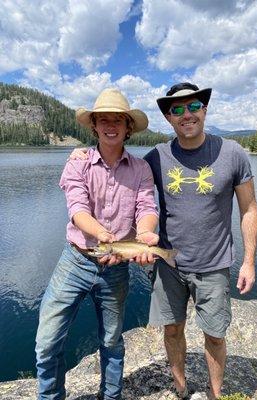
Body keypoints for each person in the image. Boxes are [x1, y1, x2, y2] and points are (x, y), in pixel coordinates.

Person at [69, 82, 257, 400]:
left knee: (214, 335)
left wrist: (250, 261)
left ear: (205, 109)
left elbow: (250, 209)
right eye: (178, 109)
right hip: (167, 266)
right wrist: (83, 155)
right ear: (168, 117)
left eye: (194, 106)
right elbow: (120, 175)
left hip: (213, 266)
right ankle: (181, 389)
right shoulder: (156, 157)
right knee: (172, 330)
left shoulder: (233, 153)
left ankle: (214, 395)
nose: (187, 114)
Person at [35, 87, 159, 400]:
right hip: (75, 260)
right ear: (94, 125)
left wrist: (144, 236)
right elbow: (77, 210)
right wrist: (107, 237)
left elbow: (146, 209)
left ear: (128, 127)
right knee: (47, 341)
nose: (110, 124)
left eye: (118, 119)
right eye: (103, 118)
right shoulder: (77, 163)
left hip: (116, 268)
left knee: (112, 341)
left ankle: (111, 396)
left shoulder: (142, 170)